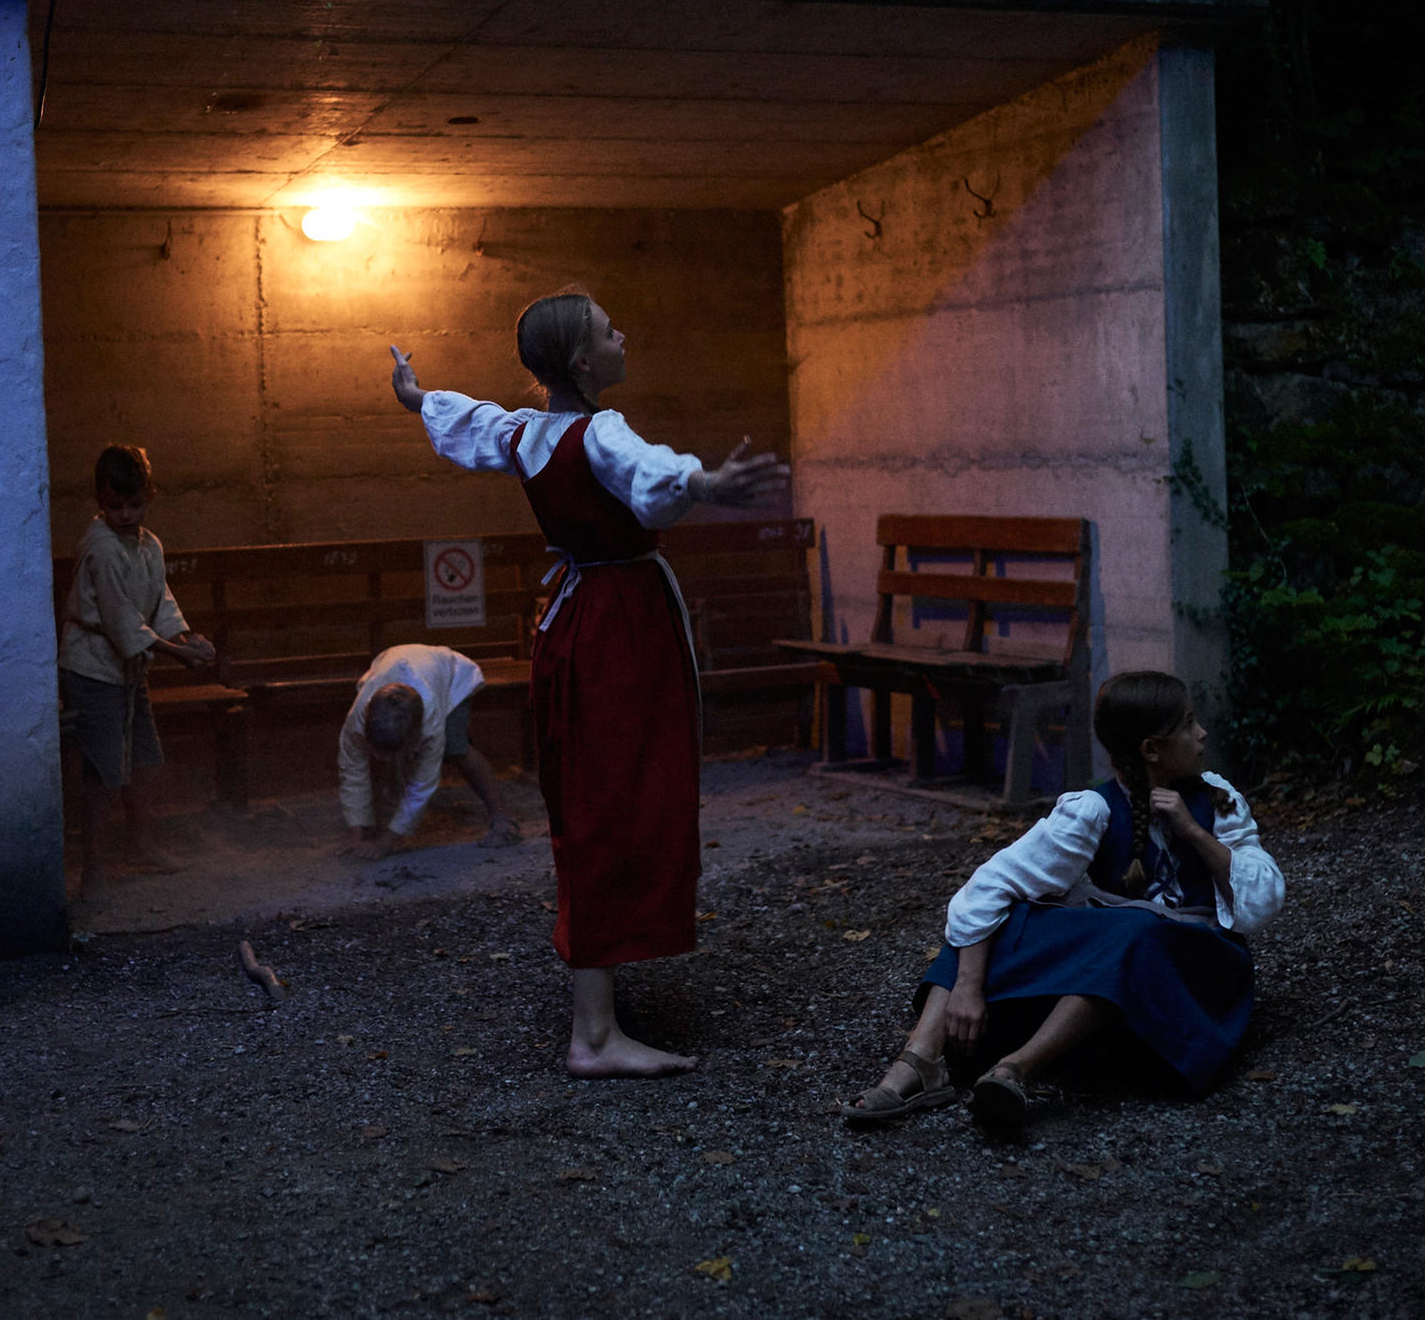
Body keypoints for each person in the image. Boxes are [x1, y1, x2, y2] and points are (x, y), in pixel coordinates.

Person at [390, 291, 789, 1077]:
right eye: (611, 330)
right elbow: (649, 473)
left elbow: (465, 419)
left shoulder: (525, 431)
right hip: (619, 632)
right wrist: (706, 483)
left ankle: (600, 1007)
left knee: (596, 798)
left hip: (577, 626)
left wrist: (414, 395)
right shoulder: (596, 432)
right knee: (621, 801)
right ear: (581, 360)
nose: (624, 334)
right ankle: (594, 1033)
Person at [842, 670, 1284, 1135]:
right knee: (1000, 918)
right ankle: (919, 1060)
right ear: (1152, 749)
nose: (1202, 734)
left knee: (1133, 932)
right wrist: (970, 987)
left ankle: (1015, 1069)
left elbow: (1261, 901)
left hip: (1192, 983)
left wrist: (1191, 831)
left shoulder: (1218, 798)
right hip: (1113, 981)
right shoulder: (1093, 809)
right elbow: (988, 887)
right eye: (1189, 724)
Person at [56, 444, 218, 898]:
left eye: (134, 505)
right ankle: (93, 868)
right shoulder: (102, 549)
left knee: (144, 759)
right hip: (93, 669)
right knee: (102, 770)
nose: (125, 514)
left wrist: (187, 638)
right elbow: (120, 619)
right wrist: (179, 654)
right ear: (99, 502)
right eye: (114, 506)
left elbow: (161, 602)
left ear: (149, 497)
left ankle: (141, 844)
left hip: (130, 669)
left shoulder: (149, 546)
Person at [338, 643, 523, 860]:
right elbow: (352, 768)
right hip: (391, 662)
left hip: (452, 675)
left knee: (456, 748)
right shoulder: (357, 720)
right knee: (372, 758)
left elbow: (422, 783)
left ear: (416, 736)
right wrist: (356, 828)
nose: (382, 758)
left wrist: (386, 842)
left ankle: (502, 817)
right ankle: (373, 823)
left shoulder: (430, 721)